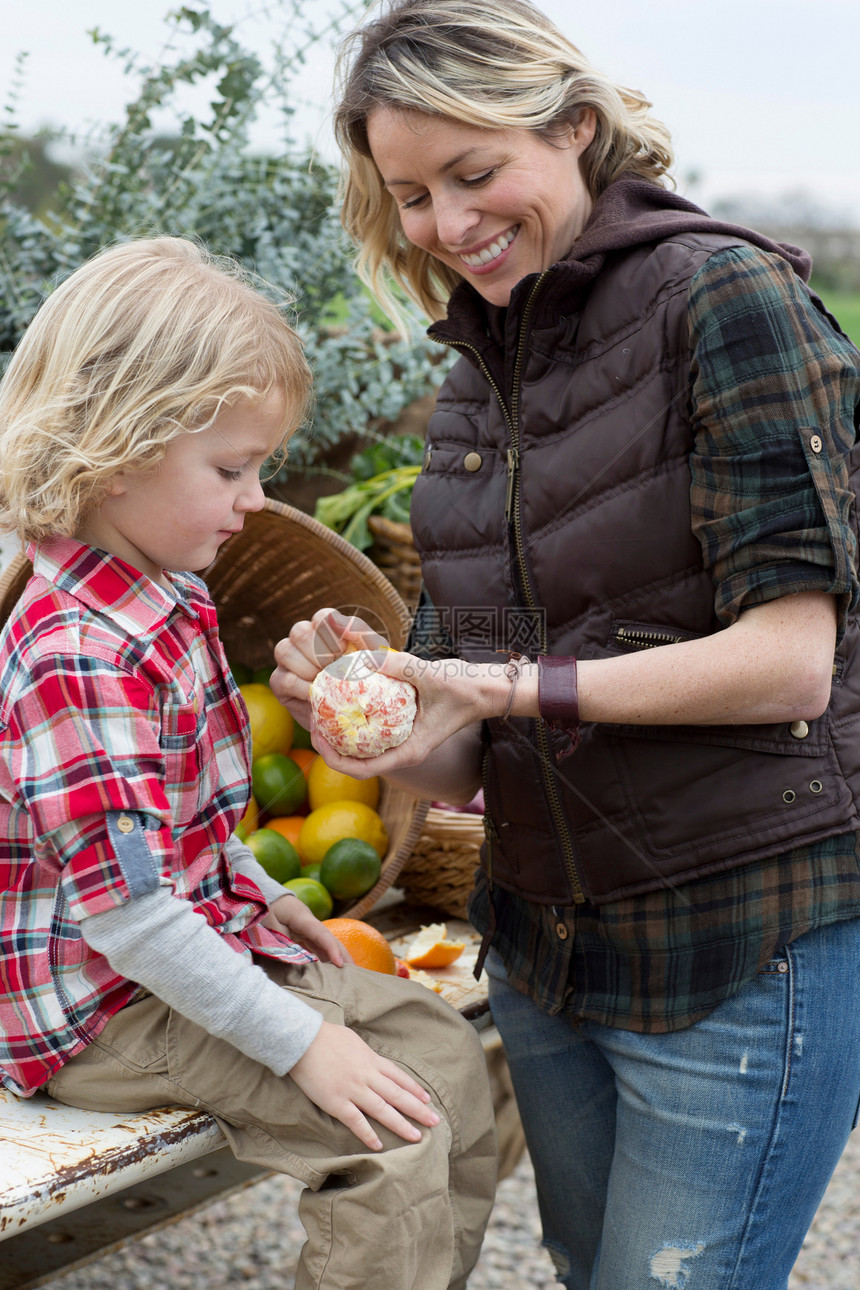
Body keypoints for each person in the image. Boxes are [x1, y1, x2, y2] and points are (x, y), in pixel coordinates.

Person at [271, 2, 860, 1286]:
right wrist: (376, 725)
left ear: (575, 127)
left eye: (474, 172)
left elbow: (789, 659)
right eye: (412, 194)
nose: (446, 222)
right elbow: (473, 755)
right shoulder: (475, 375)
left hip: (737, 942)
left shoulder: (725, 297)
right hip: (543, 948)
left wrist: (501, 684)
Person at [0, 236, 496, 1290]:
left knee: (441, 1053)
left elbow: (178, 829)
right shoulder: (73, 653)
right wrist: (303, 1046)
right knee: (390, 1137)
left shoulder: (164, 591)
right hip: (98, 1005)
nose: (259, 499)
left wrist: (260, 891)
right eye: (231, 469)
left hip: (174, 952)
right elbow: (129, 919)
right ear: (117, 452)